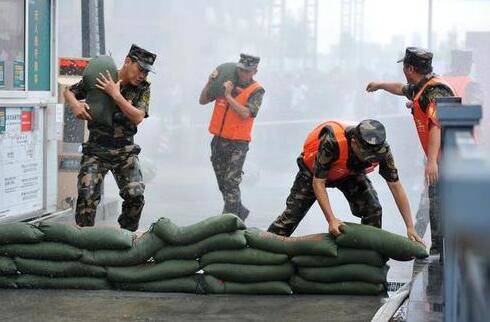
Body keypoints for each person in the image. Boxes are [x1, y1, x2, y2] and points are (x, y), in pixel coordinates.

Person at [267, 119, 423, 245]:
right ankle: (265, 248)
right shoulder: (332, 141)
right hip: (313, 174)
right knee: (290, 218)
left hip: (348, 174)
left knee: (373, 209)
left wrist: (410, 227)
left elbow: (395, 185)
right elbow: (318, 182)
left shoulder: (382, 150)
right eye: (367, 155)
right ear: (354, 142)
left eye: (374, 155)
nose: (371, 158)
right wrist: (331, 220)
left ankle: (369, 258)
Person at [366, 47, 455, 255]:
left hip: (448, 160)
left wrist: (432, 162)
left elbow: (436, 125)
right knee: (432, 201)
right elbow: (401, 89)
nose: (403, 71)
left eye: (404, 67)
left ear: (410, 68)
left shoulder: (434, 91)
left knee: (438, 203)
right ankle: (431, 244)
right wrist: (380, 85)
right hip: (441, 158)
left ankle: (439, 252)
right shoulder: (421, 86)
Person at [64, 44, 157, 232]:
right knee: (87, 196)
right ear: (128, 61)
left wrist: (116, 95)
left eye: (146, 73)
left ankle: (125, 238)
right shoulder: (103, 77)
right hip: (97, 150)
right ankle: (83, 242)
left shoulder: (142, 89)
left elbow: (138, 116)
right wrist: (75, 105)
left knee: (135, 196)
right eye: (140, 69)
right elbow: (69, 91)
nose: (142, 76)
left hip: (125, 151)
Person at [199, 53, 265, 221]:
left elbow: (246, 113)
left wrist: (228, 96)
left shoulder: (256, 90)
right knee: (223, 182)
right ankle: (239, 210)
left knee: (231, 182)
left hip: (238, 143)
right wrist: (210, 81)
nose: (243, 73)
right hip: (218, 141)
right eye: (241, 70)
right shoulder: (226, 82)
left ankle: (230, 219)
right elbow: (203, 100)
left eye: (247, 71)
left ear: (254, 71)